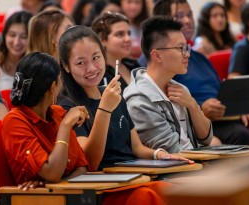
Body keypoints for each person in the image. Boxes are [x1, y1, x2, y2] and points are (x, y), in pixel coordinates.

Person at [2, 51, 171, 205]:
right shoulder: (16, 120)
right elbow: (52, 172)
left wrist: (56, 180)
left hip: (76, 192)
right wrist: (65, 127)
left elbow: (83, 166)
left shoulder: (56, 113)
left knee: (158, 191)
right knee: (144, 197)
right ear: (53, 87)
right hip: (47, 199)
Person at [58, 25, 192, 171]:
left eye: (96, 58)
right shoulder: (68, 107)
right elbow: (90, 162)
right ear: (66, 66)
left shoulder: (113, 95)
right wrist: (104, 109)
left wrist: (158, 155)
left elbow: (136, 147)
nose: (91, 68)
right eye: (81, 63)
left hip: (132, 172)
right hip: (106, 180)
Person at [150, 0, 249, 146]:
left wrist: (243, 108)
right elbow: (164, 102)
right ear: (162, 22)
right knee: (239, 133)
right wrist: (200, 107)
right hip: (197, 121)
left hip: (224, 115)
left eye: (190, 15)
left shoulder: (200, 58)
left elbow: (223, 93)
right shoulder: (161, 59)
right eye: (179, 15)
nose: (188, 20)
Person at [124, 16, 213, 153]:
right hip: (175, 171)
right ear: (157, 56)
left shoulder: (180, 89)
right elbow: (172, 153)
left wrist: (193, 105)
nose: (187, 54)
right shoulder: (139, 99)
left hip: (194, 164)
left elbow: (206, 139)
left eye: (186, 47)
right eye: (180, 48)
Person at [92, 11, 139, 90]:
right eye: (120, 34)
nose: (128, 39)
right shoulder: (97, 76)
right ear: (102, 39)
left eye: (129, 33)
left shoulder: (134, 66)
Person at [0, 11, 32, 91]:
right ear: (4, 35)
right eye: (12, 35)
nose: (16, 42)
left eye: (24, 37)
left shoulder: (37, 67)